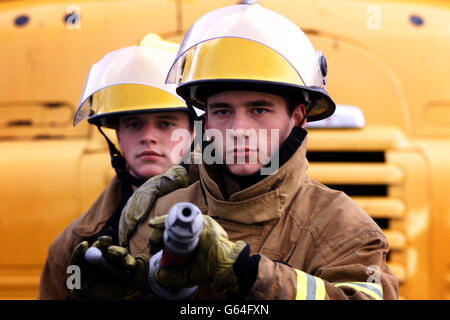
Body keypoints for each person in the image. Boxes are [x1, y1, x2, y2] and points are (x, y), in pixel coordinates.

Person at [78, 4, 399, 300]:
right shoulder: (160, 211)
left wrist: (246, 272)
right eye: (222, 111)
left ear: (297, 117)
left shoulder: (342, 228)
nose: (237, 129)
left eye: (259, 110)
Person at [38, 34, 199, 299]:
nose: (148, 136)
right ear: (119, 137)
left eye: (166, 123)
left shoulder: (228, 223)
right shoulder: (75, 243)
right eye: (134, 124)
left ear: (192, 132)